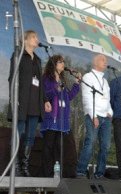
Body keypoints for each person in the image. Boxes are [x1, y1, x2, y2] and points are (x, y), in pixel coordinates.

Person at [8, 30, 51, 177]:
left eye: (36, 37)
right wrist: (14, 99)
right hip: (21, 102)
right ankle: (14, 167)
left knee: (30, 136)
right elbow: (12, 78)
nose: (36, 39)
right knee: (18, 134)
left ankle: (24, 167)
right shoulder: (18, 54)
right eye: (34, 37)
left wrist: (45, 100)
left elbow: (41, 84)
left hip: (35, 104)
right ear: (25, 40)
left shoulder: (38, 60)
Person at [40, 54, 81, 177]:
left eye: (63, 62)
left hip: (62, 120)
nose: (63, 64)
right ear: (53, 64)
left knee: (59, 147)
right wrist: (56, 89)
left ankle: (56, 173)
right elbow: (45, 95)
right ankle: (46, 174)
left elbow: (68, 97)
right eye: (60, 62)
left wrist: (76, 84)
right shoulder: (47, 78)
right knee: (48, 146)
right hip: (51, 118)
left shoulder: (63, 80)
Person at [77, 54, 113, 179]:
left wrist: (110, 112)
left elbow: (107, 98)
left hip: (106, 117)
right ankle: (81, 171)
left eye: (105, 60)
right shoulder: (88, 77)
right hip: (94, 114)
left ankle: (100, 173)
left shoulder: (105, 80)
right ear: (95, 62)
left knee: (106, 145)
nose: (105, 62)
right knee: (90, 142)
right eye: (102, 60)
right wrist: (93, 115)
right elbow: (86, 97)